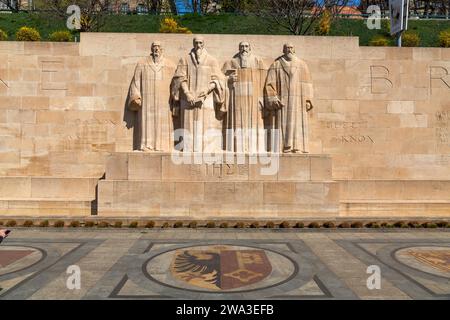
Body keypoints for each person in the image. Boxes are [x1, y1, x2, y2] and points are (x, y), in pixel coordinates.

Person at [170, 36, 226, 152]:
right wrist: (187, 93)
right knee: (188, 126)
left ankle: (207, 149)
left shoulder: (212, 60)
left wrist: (206, 91)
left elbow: (219, 80)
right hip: (188, 99)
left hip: (206, 99)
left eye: (200, 43)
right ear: (193, 44)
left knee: (207, 125)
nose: (198, 45)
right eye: (196, 43)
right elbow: (179, 78)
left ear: (203, 44)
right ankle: (188, 149)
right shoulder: (185, 59)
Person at [264, 43, 314, 153]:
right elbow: (269, 83)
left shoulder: (302, 65)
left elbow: (307, 83)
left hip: (298, 101)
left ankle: (298, 147)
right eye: (287, 48)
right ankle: (283, 147)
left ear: (294, 50)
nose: (289, 50)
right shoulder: (276, 64)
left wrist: (308, 100)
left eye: (291, 48)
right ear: (283, 50)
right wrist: (273, 97)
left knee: (297, 123)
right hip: (283, 101)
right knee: (282, 123)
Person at [128, 41, 176, 152]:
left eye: (159, 47)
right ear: (151, 49)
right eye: (154, 47)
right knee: (146, 121)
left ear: (162, 49)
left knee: (162, 122)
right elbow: (135, 82)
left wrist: (175, 98)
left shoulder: (170, 65)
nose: (156, 49)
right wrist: (136, 96)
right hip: (147, 100)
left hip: (164, 100)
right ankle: (146, 145)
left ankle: (163, 146)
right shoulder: (142, 63)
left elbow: (176, 83)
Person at [222, 41, 266, 153]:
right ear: (239, 48)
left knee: (254, 121)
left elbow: (264, 80)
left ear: (250, 48)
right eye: (242, 46)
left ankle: (254, 148)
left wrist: (262, 97)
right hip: (235, 97)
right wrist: (229, 79)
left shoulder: (257, 61)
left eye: (246, 46)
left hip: (254, 97)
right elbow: (221, 78)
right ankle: (235, 148)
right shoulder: (231, 62)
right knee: (236, 121)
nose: (244, 48)